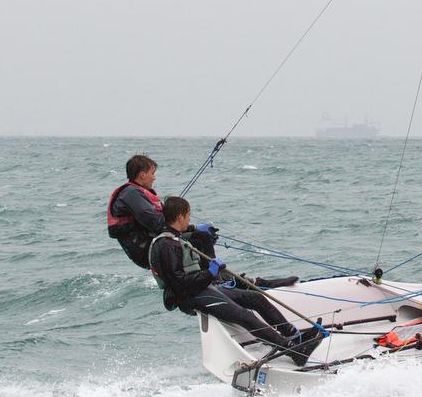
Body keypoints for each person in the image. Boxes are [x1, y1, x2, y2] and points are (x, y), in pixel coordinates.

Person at [148, 196, 322, 364]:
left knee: (255, 298)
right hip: (189, 296)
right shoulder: (166, 245)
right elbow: (179, 283)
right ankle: (294, 351)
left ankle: (295, 336)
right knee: (243, 315)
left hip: (201, 288)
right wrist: (210, 272)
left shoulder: (174, 238)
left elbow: (189, 245)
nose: (189, 219)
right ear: (179, 217)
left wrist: (203, 241)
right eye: (188, 215)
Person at [106, 154, 218, 268]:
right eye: (152, 173)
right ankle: (214, 277)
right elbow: (157, 224)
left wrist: (194, 228)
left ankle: (207, 276)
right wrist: (193, 229)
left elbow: (167, 223)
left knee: (202, 236)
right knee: (201, 238)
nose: (154, 177)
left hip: (153, 241)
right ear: (142, 175)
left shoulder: (136, 193)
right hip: (145, 249)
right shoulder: (131, 194)